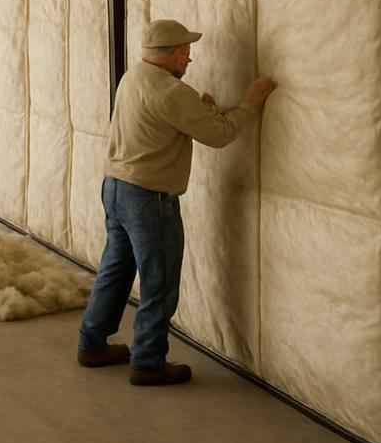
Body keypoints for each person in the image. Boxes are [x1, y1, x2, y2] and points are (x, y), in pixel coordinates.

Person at [75, 19, 277, 385]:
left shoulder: (133, 77)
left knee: (115, 270)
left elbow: (171, 120)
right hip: (149, 198)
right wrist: (251, 103)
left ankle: (92, 344)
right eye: (184, 50)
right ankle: (149, 363)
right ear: (168, 55)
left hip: (116, 187)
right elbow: (219, 136)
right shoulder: (171, 92)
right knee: (159, 282)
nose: (189, 56)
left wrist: (202, 110)